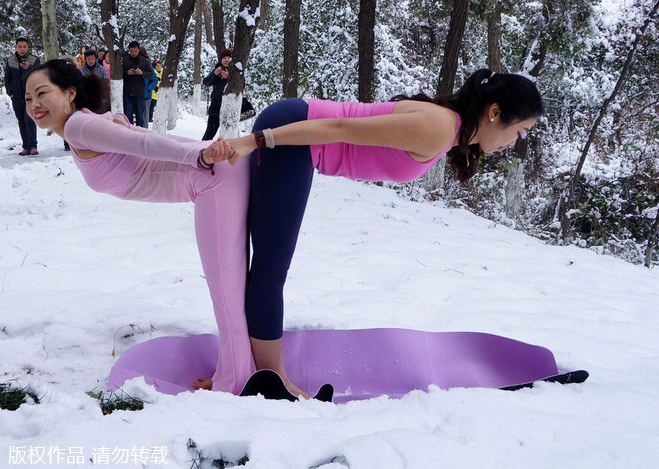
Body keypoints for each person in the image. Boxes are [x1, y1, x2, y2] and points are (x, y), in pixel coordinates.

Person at [225, 69, 545, 397]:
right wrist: (255, 140)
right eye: (520, 131)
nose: (513, 143)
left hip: (299, 137)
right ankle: (273, 382)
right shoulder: (439, 127)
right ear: (495, 112)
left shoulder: (446, 126)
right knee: (270, 268)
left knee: (265, 264)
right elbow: (340, 127)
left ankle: (242, 370)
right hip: (294, 134)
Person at [24, 59, 255, 394]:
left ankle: (234, 383)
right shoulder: (87, 124)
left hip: (212, 178)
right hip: (217, 172)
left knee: (227, 292)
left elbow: (145, 145)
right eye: (28, 98)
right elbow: (148, 138)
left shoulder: (78, 127)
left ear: (70, 93)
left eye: (42, 93)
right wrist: (204, 152)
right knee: (233, 289)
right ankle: (241, 372)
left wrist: (201, 157)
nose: (34, 104)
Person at [5, 37, 40, 156]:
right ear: (16, 47)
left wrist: (29, 67)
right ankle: (25, 147)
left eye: (24, 46)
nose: (22, 49)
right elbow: (7, 78)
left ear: (28, 47)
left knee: (29, 120)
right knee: (21, 121)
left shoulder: (34, 60)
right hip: (16, 96)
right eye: (20, 46)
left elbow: (38, 76)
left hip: (30, 97)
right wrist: (10, 92)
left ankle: (33, 146)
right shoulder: (10, 61)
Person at [201, 49, 231, 141]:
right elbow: (206, 83)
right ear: (221, 60)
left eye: (229, 58)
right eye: (224, 58)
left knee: (228, 136)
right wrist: (214, 74)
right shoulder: (217, 70)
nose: (226, 60)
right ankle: (201, 152)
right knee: (208, 135)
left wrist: (229, 77)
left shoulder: (235, 72)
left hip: (229, 110)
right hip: (215, 109)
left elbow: (241, 85)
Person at [122, 41, 152, 127]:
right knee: (128, 117)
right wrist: (127, 72)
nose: (134, 53)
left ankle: (140, 135)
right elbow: (119, 74)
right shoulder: (124, 60)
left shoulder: (144, 61)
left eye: (135, 51)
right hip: (127, 93)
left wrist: (141, 73)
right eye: (132, 51)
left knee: (140, 117)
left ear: (138, 50)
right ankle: (129, 135)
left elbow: (150, 74)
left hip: (139, 93)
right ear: (129, 50)